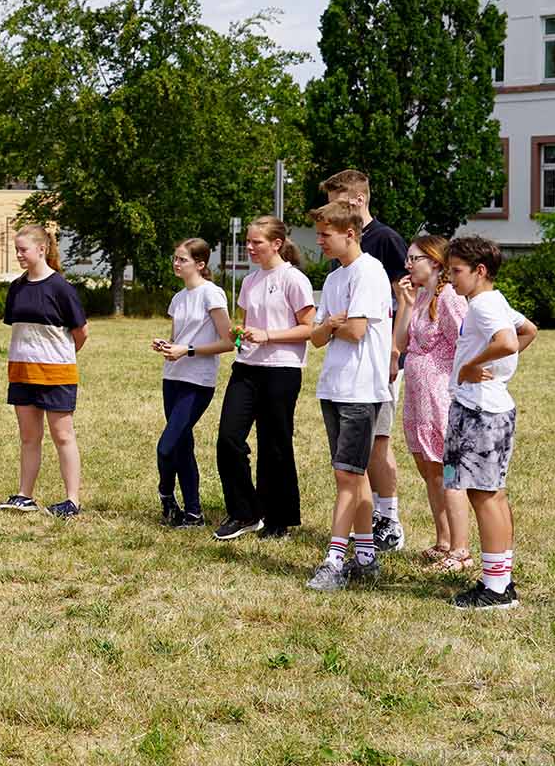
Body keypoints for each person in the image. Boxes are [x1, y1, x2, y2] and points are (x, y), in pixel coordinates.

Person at [443, 235, 537, 610]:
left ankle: (496, 590)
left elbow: (509, 342)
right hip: (482, 405)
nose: (450, 279)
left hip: (481, 410)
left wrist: (473, 365)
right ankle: (499, 579)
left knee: (485, 495)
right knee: (489, 493)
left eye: (456, 271)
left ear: (480, 271)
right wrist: (496, 370)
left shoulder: (483, 305)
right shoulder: (493, 301)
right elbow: (528, 330)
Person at [304, 201, 394, 592]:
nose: (320, 240)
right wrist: (328, 324)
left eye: (326, 234)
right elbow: (317, 335)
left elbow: (356, 330)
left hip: (361, 389)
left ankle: (334, 560)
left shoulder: (369, 272)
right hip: (333, 386)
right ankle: (366, 557)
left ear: (350, 234)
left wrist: (332, 324)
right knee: (352, 477)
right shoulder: (336, 277)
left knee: (347, 476)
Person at [320, 170, 409, 553]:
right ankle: (366, 529)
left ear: (355, 202)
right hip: (345, 369)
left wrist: (393, 350)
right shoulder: (339, 263)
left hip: (378, 361)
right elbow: (321, 328)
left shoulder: (383, 242)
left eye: (336, 202)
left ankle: (388, 519)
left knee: (378, 443)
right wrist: (329, 325)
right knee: (359, 456)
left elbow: (404, 299)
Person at [218, 216, 315, 541]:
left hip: (282, 371)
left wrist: (269, 335)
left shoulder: (293, 279)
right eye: (248, 241)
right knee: (229, 439)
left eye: (256, 242)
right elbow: (248, 326)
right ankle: (245, 512)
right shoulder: (249, 281)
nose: (249, 247)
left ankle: (279, 518)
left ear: (276, 243)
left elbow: (309, 329)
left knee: (275, 445)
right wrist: (239, 335)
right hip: (247, 367)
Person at [0, 226, 89, 519]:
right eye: (17, 250)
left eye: (23, 250)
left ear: (42, 249)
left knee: (62, 436)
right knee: (28, 436)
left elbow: (81, 332)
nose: (19, 255)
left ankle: (71, 501)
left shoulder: (61, 288)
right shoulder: (17, 287)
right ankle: (25, 495)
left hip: (56, 375)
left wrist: (61, 358)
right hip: (22, 372)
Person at [396, 235, 470, 570]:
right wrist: (405, 304)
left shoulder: (450, 297)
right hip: (416, 395)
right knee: (427, 469)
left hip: (438, 395)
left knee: (443, 469)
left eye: (415, 259)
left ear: (435, 263)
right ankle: (443, 540)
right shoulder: (420, 295)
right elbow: (399, 344)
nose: (408, 265)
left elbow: (464, 343)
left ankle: (459, 546)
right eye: (408, 259)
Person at [152, 238, 230, 527]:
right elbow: (178, 340)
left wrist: (189, 350)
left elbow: (228, 341)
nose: (176, 263)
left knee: (166, 445)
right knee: (182, 445)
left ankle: (166, 496)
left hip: (197, 382)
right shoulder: (178, 298)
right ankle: (194, 513)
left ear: (200, 264)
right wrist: (166, 345)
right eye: (175, 258)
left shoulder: (212, 294)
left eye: (182, 259)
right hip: (172, 377)